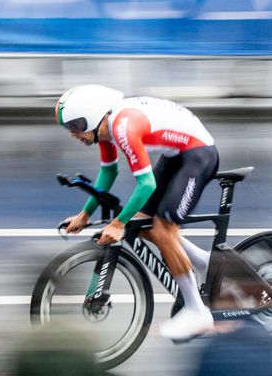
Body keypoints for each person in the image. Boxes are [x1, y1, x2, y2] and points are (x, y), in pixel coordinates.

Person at [55, 85, 220, 340]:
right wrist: (85, 215)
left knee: (163, 229)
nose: (72, 133)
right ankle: (203, 262)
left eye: (75, 125)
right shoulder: (105, 126)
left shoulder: (123, 127)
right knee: (140, 224)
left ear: (91, 116)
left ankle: (198, 312)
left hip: (198, 155)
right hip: (176, 155)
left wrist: (118, 224)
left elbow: (147, 184)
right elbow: (109, 172)